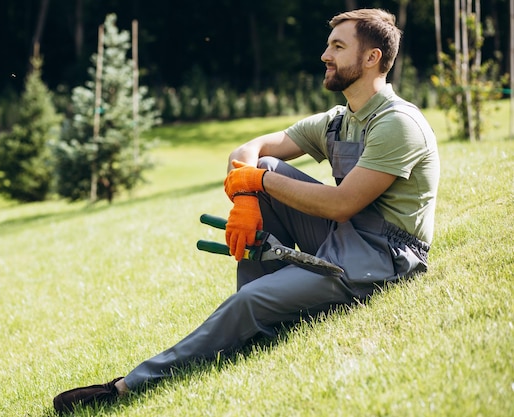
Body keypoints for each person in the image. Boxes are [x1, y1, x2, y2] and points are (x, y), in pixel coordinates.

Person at [53, 8, 439, 414]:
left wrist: (258, 183)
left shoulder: (396, 124)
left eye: (338, 47)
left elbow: (344, 203)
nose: (325, 55)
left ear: (371, 58)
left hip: (384, 257)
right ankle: (261, 324)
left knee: (251, 295)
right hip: (343, 235)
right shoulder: (338, 121)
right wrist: (248, 198)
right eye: (328, 45)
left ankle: (127, 386)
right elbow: (246, 152)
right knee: (265, 166)